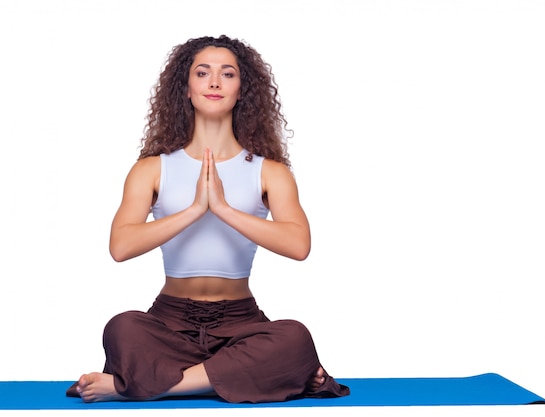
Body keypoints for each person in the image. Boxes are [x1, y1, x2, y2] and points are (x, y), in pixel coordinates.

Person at [66, 35, 349, 403]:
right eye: (203, 73)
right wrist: (196, 209)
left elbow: (298, 245)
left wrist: (225, 209)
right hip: (169, 322)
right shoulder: (152, 169)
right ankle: (237, 377)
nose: (214, 82)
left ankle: (140, 386)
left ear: (241, 90)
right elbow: (120, 247)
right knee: (122, 327)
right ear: (186, 87)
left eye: (227, 74)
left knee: (294, 338)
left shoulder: (270, 172)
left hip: (241, 323)